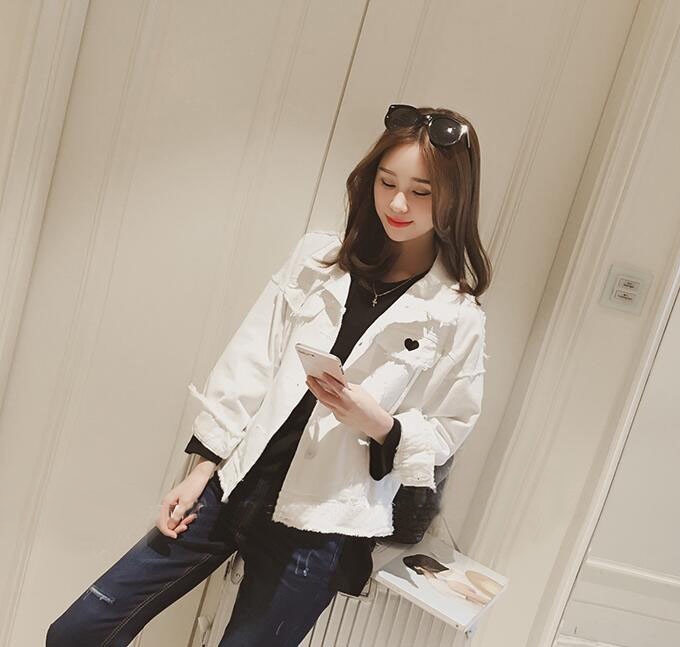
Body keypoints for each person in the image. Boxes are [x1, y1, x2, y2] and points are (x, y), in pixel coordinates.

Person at [46, 104, 491, 646]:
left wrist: (378, 422)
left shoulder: (456, 317)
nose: (397, 204)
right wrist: (201, 470)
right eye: (387, 182)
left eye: (421, 192)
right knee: (77, 634)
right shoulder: (318, 259)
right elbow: (250, 361)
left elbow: (448, 428)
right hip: (234, 485)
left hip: (320, 527)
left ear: (454, 198)